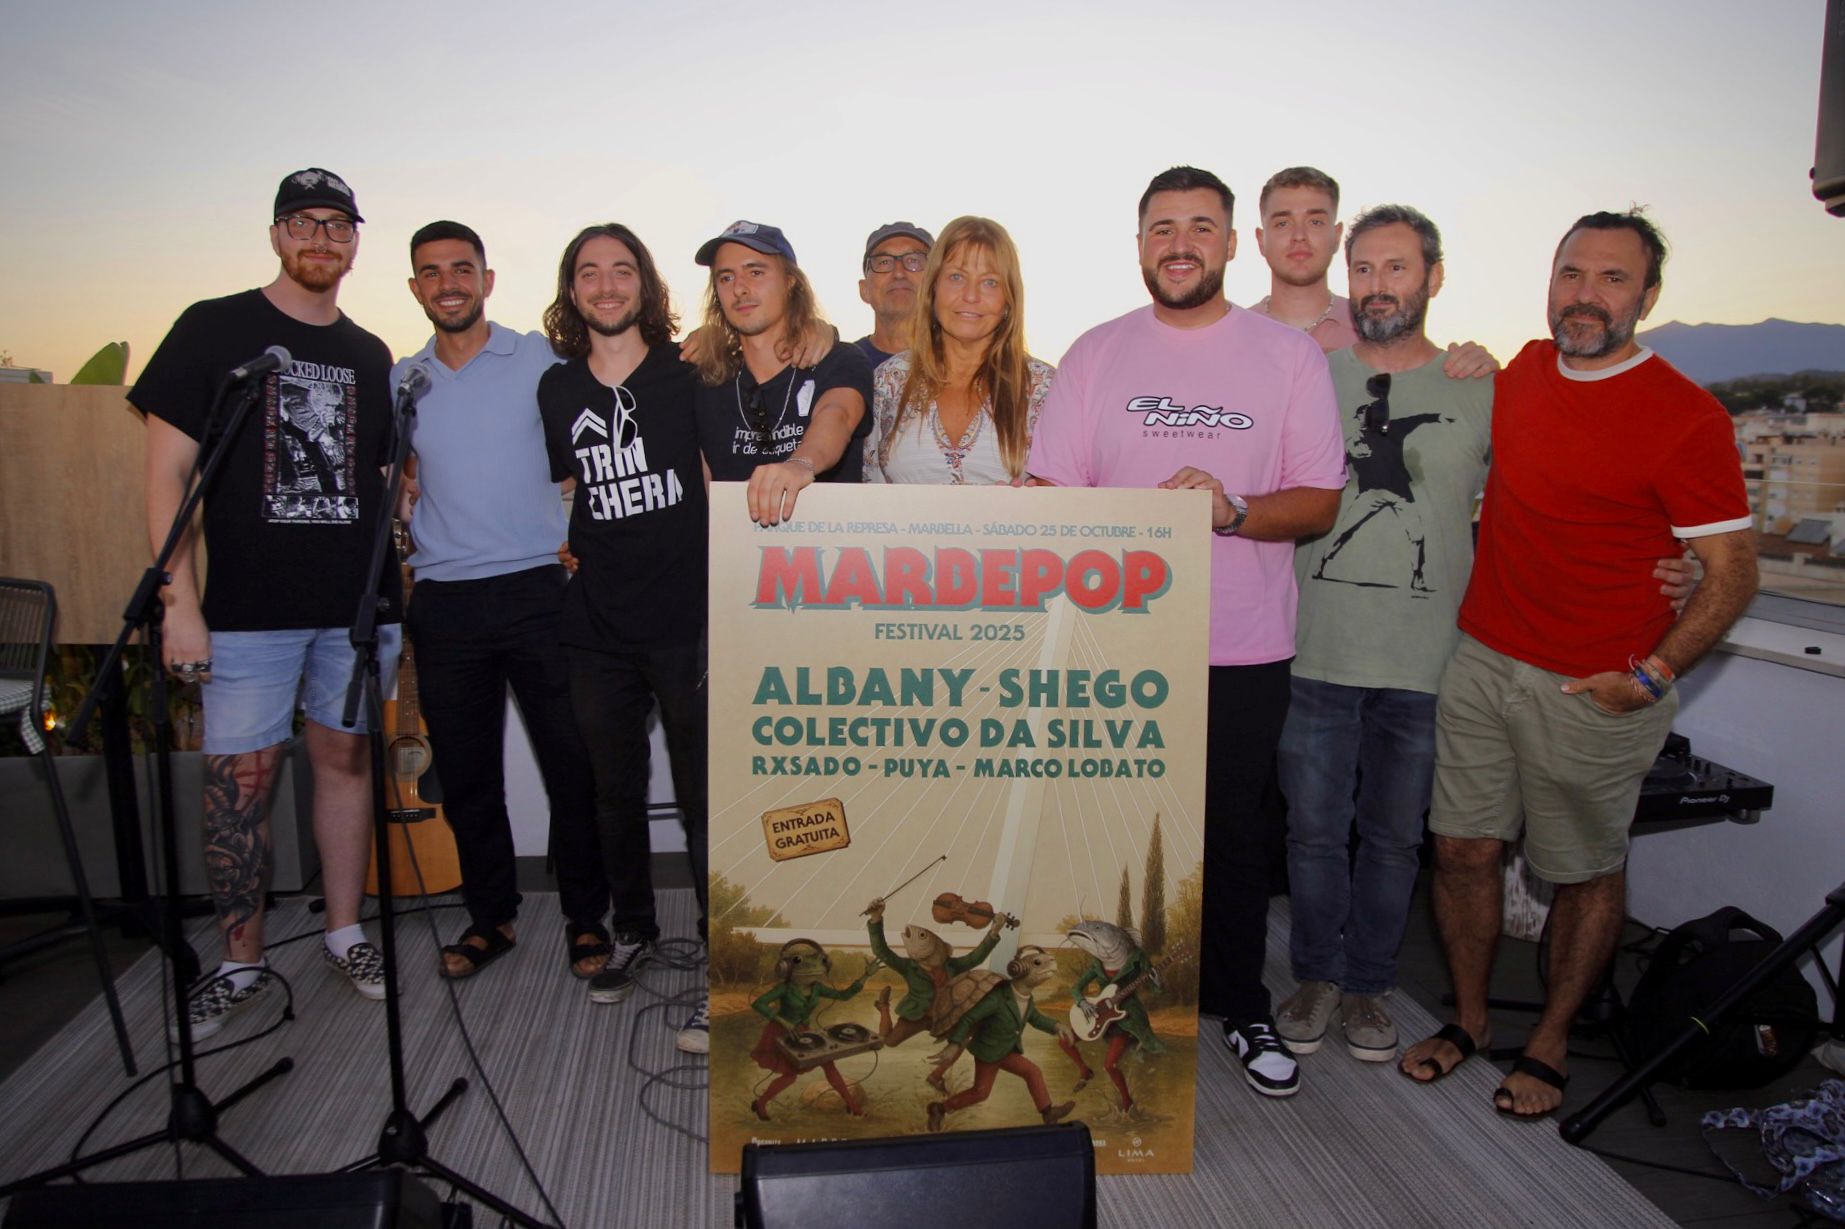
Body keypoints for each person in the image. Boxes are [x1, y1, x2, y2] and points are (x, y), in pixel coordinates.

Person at [1399, 210, 1758, 1118]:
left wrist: (1649, 677)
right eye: (1571, 274)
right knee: (1462, 851)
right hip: (1483, 658)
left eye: (1611, 278)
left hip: (1596, 685)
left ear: (1647, 295)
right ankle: (1469, 1019)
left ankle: (1550, 1042)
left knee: (1583, 871)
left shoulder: (1686, 416)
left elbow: (1730, 572)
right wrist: (1465, 356)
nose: (1585, 295)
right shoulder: (1519, 373)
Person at [1026, 166, 1347, 1099]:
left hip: (1239, 644)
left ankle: (1240, 1004)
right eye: (1161, 227)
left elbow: (1319, 500)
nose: (1179, 244)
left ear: (1230, 244)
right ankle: (1101, 1007)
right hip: (1111, 643)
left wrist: (1232, 508)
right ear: (1138, 245)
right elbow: (1052, 490)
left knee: (1234, 837)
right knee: (1104, 830)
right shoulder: (1095, 352)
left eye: (1200, 226)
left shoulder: (1287, 356)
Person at [133, 168, 400, 1038]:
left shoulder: (370, 353)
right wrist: (179, 601)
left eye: (338, 225)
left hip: (351, 610)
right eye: (304, 222)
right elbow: (167, 476)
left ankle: (344, 932)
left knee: (344, 764)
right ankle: (241, 960)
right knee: (238, 784)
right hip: (245, 611)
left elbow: (380, 476)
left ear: (355, 243)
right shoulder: (213, 328)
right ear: (278, 234)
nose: (322, 238)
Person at [1273, 205, 1491, 1063]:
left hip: (1426, 663)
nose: (1376, 285)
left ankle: (1367, 984)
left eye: (1395, 267)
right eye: (1362, 268)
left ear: (1432, 277)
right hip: (1314, 652)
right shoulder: (1307, 373)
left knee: (1396, 840)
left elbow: (1539, 503)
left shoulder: (1480, 385)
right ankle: (1315, 976)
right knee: (1312, 835)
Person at [393, 221, 607, 983]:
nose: (447, 283)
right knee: (467, 777)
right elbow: (400, 474)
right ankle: (492, 917)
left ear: (486, 280)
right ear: (415, 288)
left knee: (571, 768)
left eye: (462, 268)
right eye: (430, 272)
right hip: (444, 602)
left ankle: (588, 917)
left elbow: (596, 435)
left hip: (538, 592)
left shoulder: (540, 358)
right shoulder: (403, 381)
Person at [537, 223, 712, 1052]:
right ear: (571, 290)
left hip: (687, 621)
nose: (605, 285)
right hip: (595, 628)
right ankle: (634, 930)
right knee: (613, 793)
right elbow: (565, 486)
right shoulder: (556, 388)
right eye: (588, 272)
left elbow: (715, 478)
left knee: (704, 795)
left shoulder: (690, 373)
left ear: (644, 285)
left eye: (621, 270)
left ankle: (721, 947)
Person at [689, 220, 874, 526]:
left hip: (829, 550)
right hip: (738, 553)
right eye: (726, 277)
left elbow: (838, 414)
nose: (739, 288)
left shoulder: (839, 359)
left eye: (755, 272)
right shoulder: (706, 378)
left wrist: (800, 464)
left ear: (790, 281)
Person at [862, 216, 1053, 486]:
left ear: (1009, 299)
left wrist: (1042, 496)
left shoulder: (1044, 388)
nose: (971, 296)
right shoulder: (889, 380)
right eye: (956, 277)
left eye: (990, 282)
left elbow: (1070, 494)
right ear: (933, 288)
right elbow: (868, 490)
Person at [1249, 166, 1359, 350]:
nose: (1299, 236)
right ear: (1261, 240)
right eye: (1282, 223)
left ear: (1337, 236)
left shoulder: (1369, 333)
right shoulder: (1234, 335)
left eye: (1315, 222)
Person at [855, 221, 934, 369]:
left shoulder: (964, 365)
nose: (899, 273)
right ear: (864, 290)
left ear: (936, 284)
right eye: (884, 262)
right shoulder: (839, 366)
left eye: (914, 261)